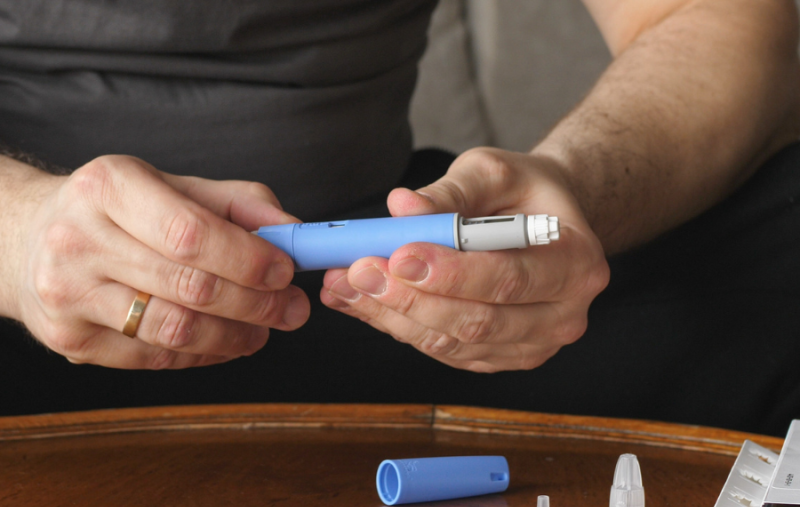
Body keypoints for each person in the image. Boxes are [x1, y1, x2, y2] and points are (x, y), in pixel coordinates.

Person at [0, 0, 798, 434]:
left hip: (375, 281)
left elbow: (718, 16)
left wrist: (577, 184)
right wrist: (24, 231)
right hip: (24, 296)